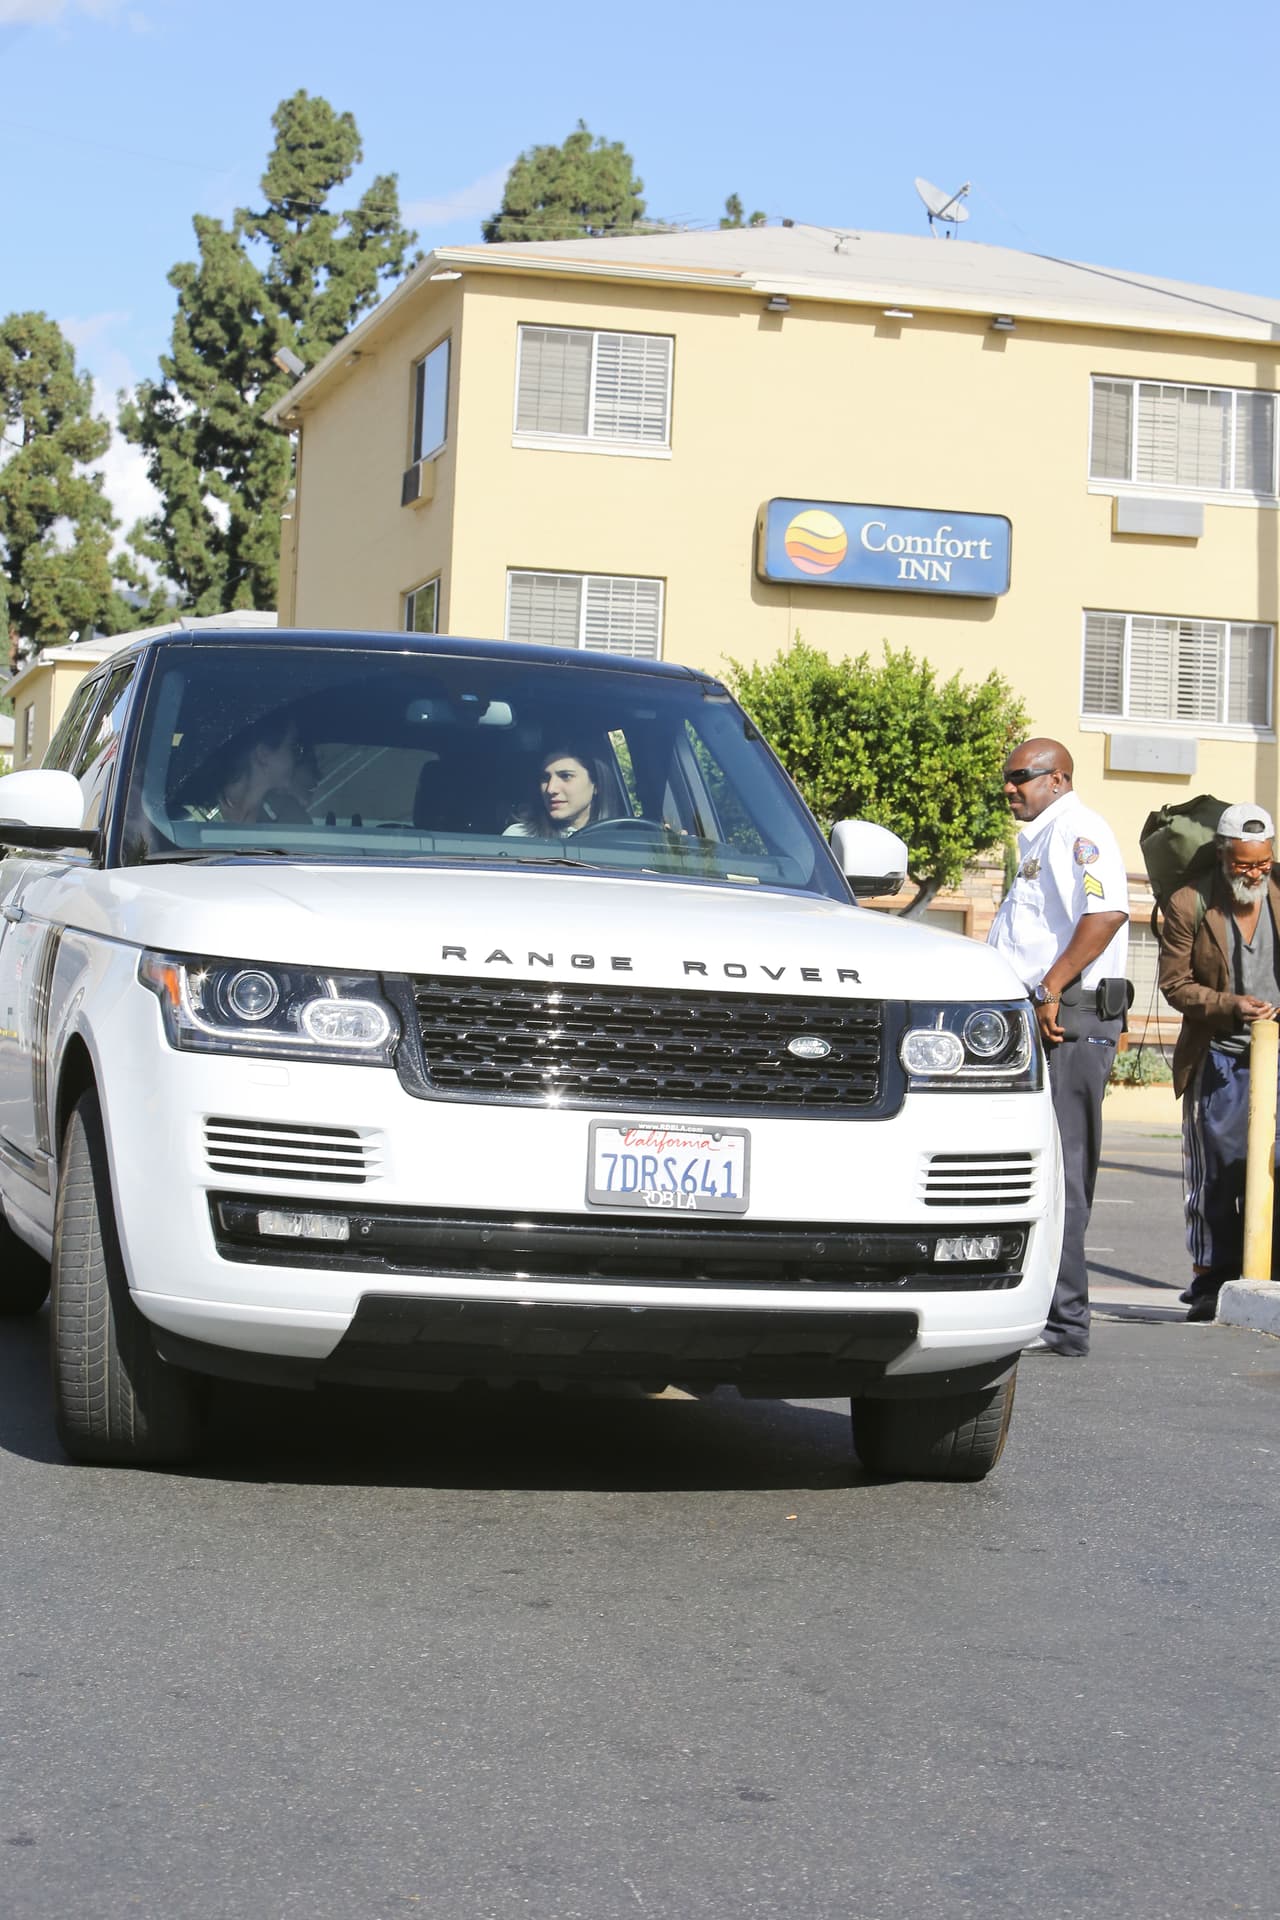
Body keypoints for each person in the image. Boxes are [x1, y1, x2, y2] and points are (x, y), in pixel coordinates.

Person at [987, 737, 1130, 1356]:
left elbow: (1108, 915)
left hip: (1066, 1014)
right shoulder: (1040, 839)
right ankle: (1041, 1308)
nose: (1010, 787)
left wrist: (1051, 986)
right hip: (1042, 1009)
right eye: (1008, 777)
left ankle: (1065, 1322)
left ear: (1059, 779)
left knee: (1064, 1170)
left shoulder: (1079, 831)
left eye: (1022, 776)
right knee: (1034, 1169)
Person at [1158, 803, 1280, 1322]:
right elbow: (1175, 984)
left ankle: (1269, 1270)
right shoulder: (1189, 902)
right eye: (1243, 864)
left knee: (1274, 1166)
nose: (1253, 874)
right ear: (1224, 855)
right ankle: (1211, 1276)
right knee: (1216, 1174)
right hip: (1219, 1057)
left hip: (1276, 1055)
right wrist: (1231, 1005)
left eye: (1262, 864)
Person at [185, 713, 304, 826]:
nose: (297, 758)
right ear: (263, 754)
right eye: (293, 747)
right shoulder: (191, 817)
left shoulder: (288, 816)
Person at [504, 744, 610, 839]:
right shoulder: (519, 838)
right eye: (545, 778)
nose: (551, 789)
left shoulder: (616, 838)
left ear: (596, 785)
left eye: (566, 776)